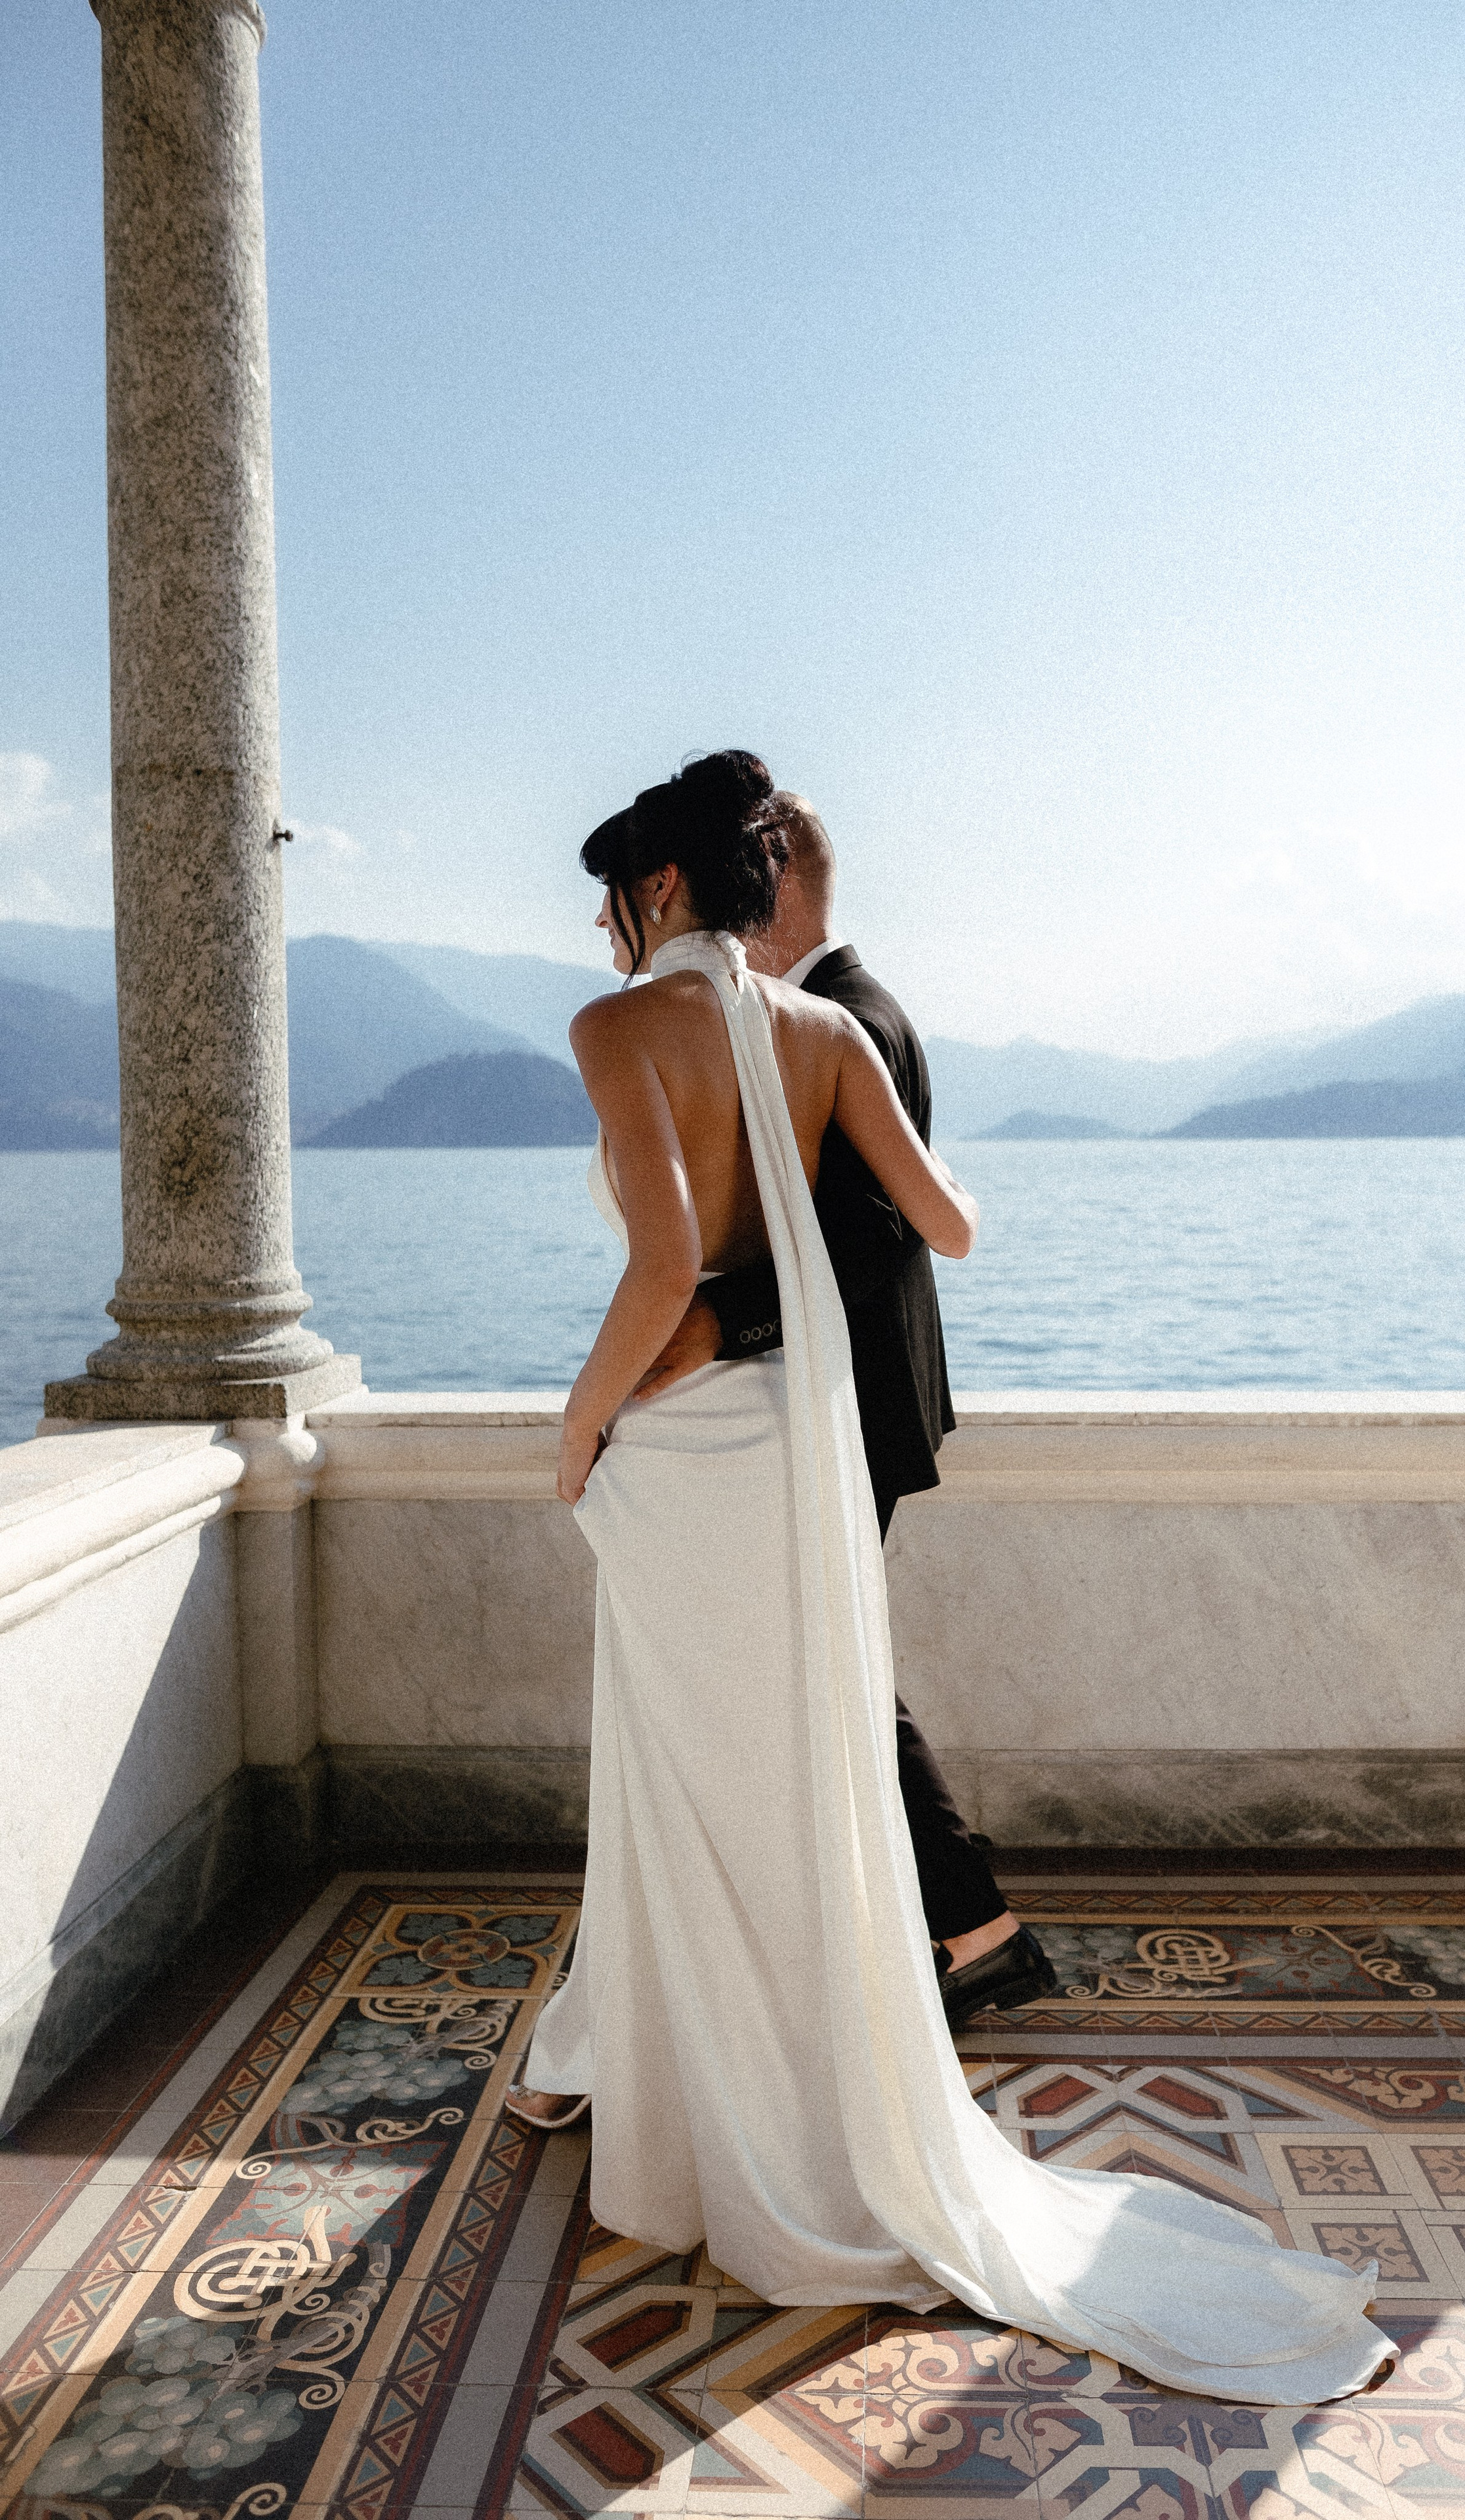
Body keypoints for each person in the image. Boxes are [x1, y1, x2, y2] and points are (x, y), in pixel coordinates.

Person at [509, 751, 1392, 2403]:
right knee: (796, 1769)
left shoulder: (618, 1028)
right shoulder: (828, 1034)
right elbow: (953, 1226)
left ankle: (701, 2108)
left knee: (690, 1773)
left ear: (660, 887)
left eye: (614, 900)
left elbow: (658, 1267)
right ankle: (798, 2100)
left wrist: (573, 1431)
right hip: (801, 1442)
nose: (605, 929)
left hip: (686, 1451)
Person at [631, 793, 1054, 2030]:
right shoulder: (848, 1007)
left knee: (836, 1672)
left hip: (845, 1399)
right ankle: (937, 1928)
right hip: (854, 1393)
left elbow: (876, 1233)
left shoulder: (845, 1016)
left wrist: (719, 1323)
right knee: (831, 1666)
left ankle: (977, 1931)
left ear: (768, 883)